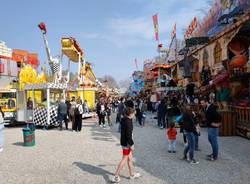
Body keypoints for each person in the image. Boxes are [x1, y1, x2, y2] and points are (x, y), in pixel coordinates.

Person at [111, 108, 141, 183]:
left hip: (124, 142)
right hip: (127, 143)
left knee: (130, 159)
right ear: (130, 114)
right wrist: (131, 144)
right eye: (134, 113)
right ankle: (116, 175)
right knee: (124, 159)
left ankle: (132, 174)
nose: (134, 115)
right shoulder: (128, 122)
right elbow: (128, 135)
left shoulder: (125, 119)